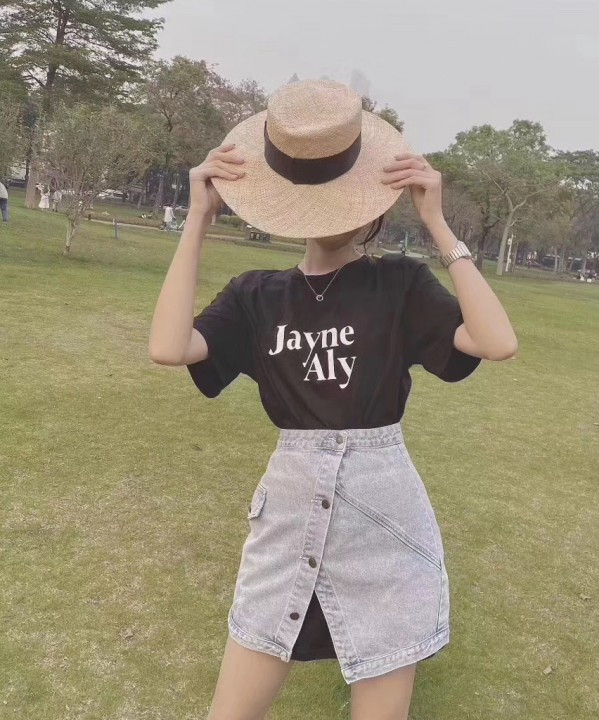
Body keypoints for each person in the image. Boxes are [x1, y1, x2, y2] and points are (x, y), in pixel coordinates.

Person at [149, 79, 517, 719]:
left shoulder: (399, 284)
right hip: (289, 514)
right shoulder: (255, 295)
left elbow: (496, 341)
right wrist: (197, 222)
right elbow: (168, 346)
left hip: (382, 519)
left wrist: (438, 223)